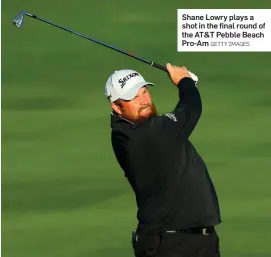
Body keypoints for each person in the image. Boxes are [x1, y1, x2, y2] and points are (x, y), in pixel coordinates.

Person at [105, 63, 221, 257]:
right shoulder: (140, 135)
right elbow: (191, 108)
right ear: (117, 107)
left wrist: (189, 84)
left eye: (144, 92)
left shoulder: (144, 129)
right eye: (132, 97)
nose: (143, 101)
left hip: (195, 241)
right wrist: (184, 81)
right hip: (168, 244)